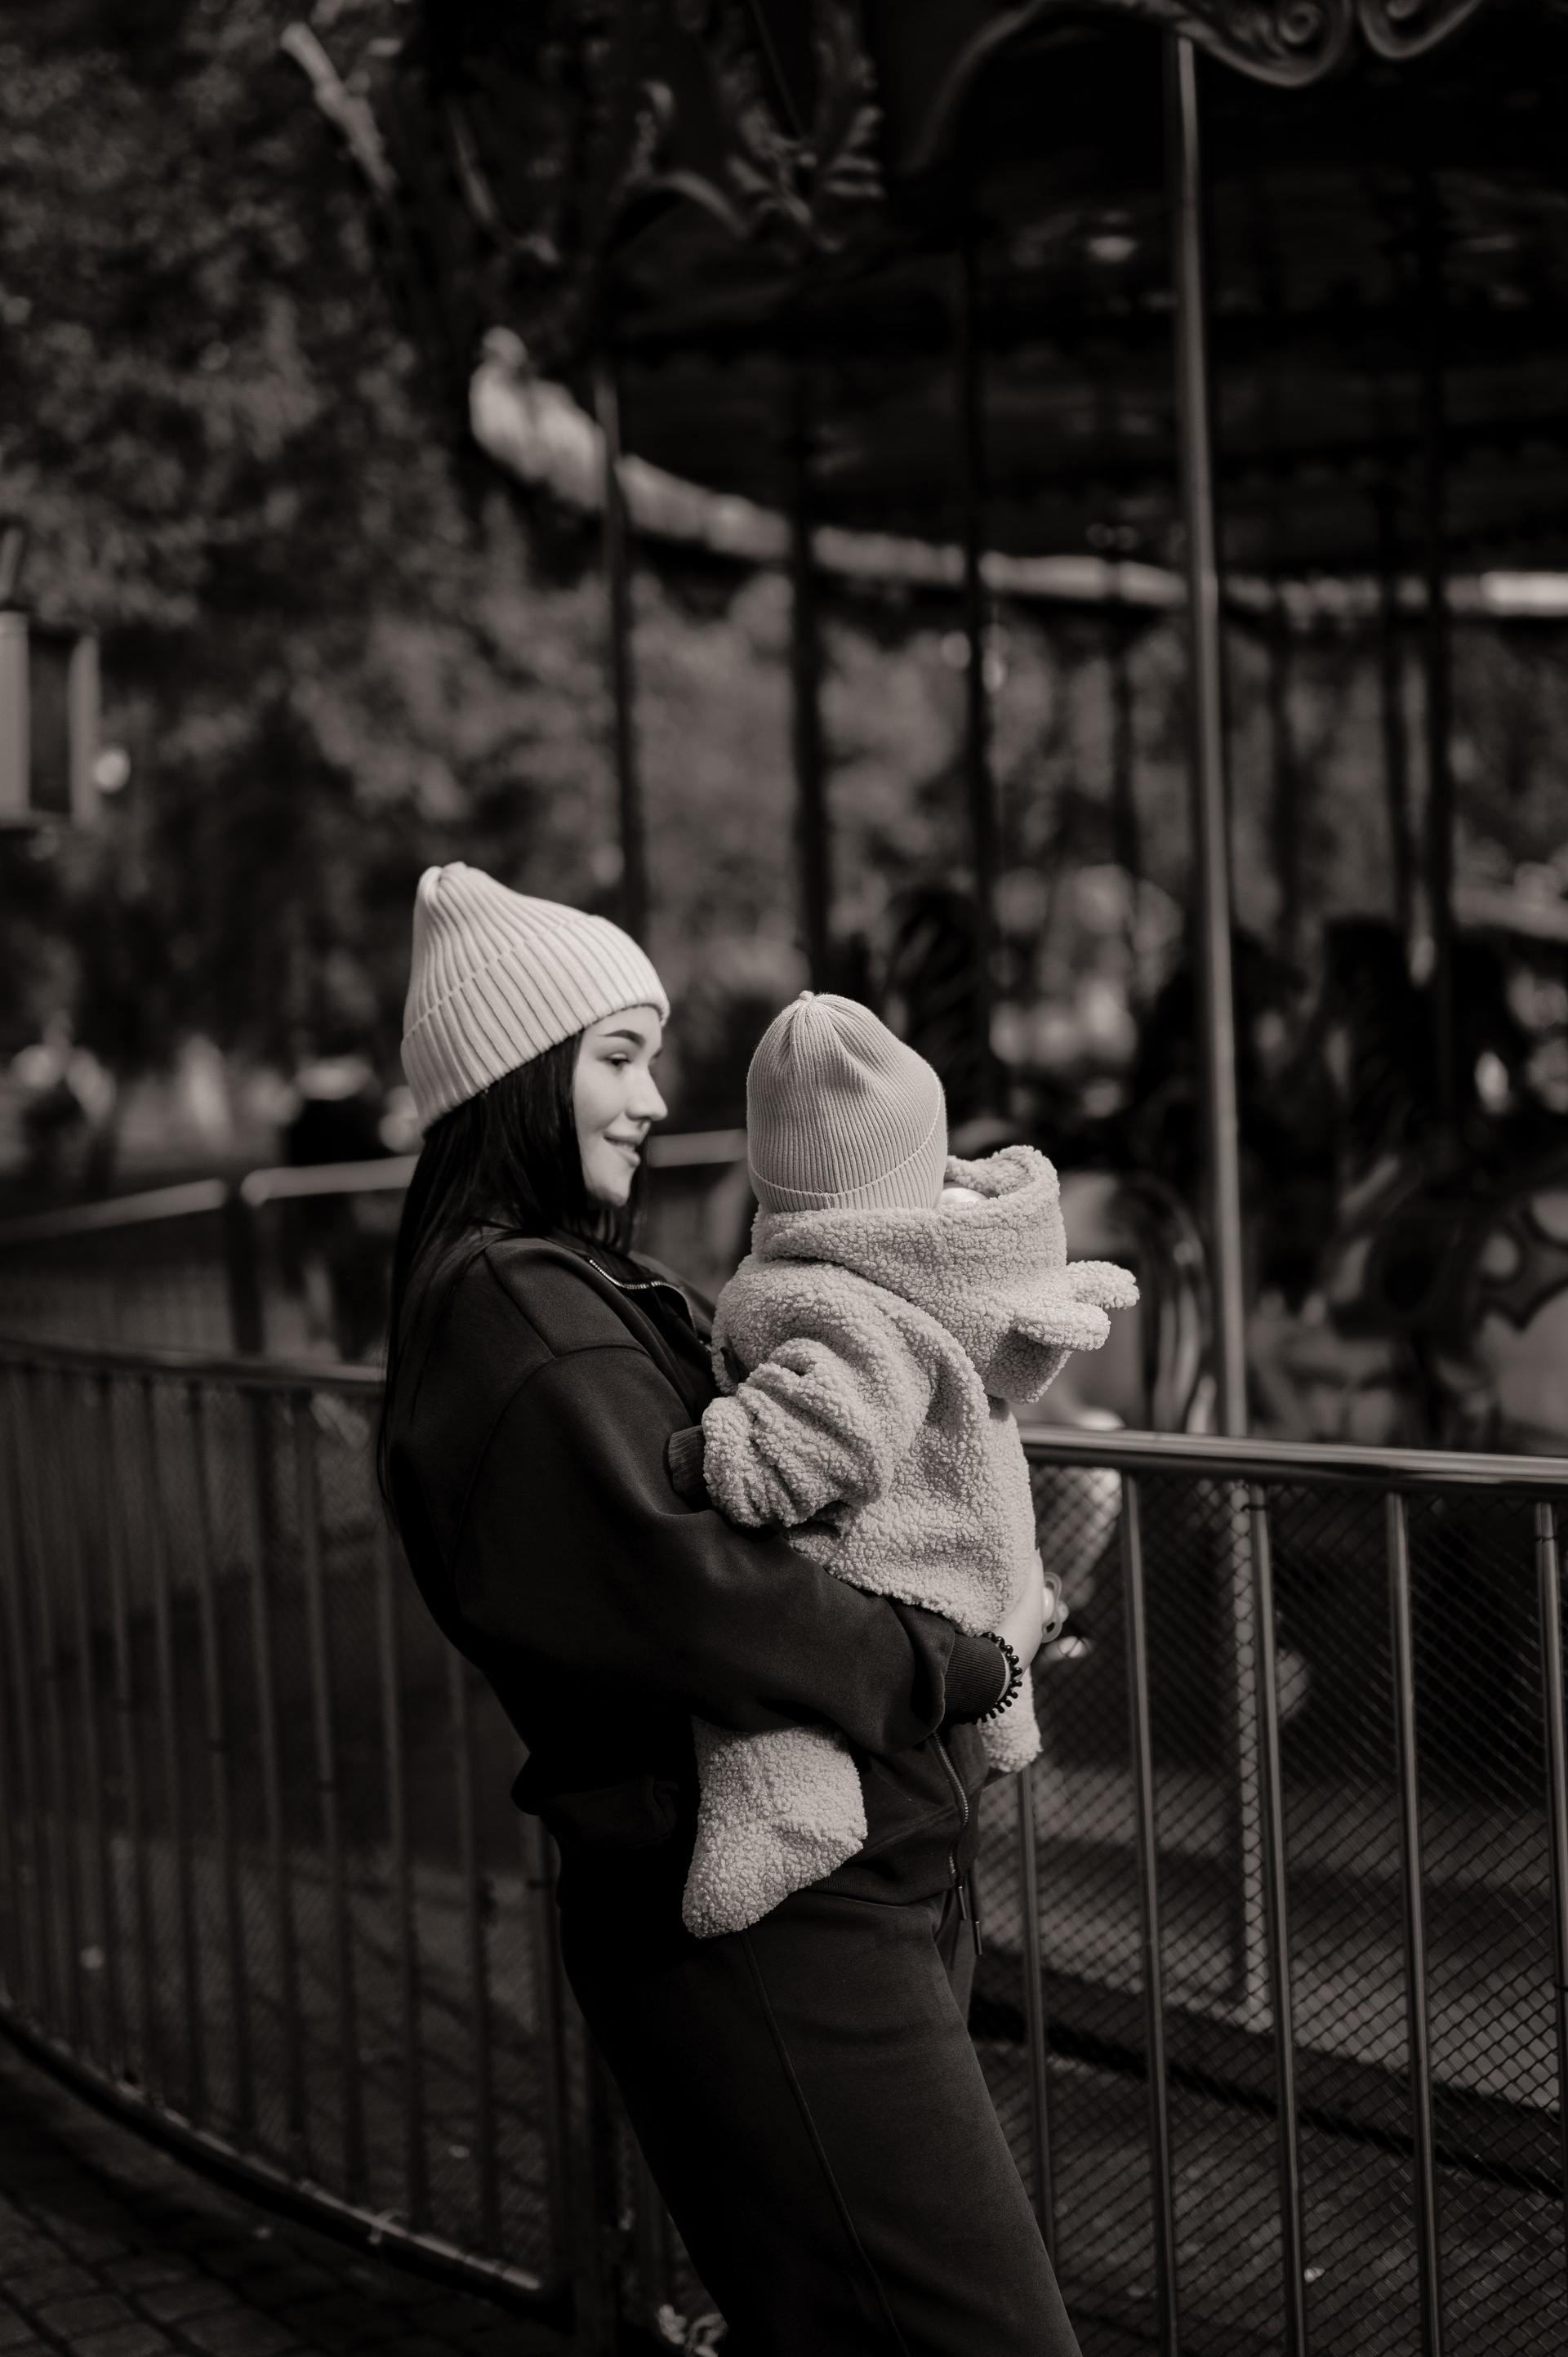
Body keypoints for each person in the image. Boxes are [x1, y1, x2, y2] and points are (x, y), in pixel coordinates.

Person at [379, 864, 1081, 2357]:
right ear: (515, 1073)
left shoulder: (563, 1286)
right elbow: (699, 1595)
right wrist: (961, 1662)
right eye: (616, 1058)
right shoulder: (513, 1313)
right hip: (774, 1925)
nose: (651, 1098)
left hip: (834, 1893)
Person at [673, 990, 1135, 1943]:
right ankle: (998, 1726)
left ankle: (785, 1817)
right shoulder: (924, 1274)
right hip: (973, 1573)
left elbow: (815, 1446)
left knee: (758, 1711)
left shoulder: (843, 1307)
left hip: (903, 1587)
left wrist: (711, 1452)